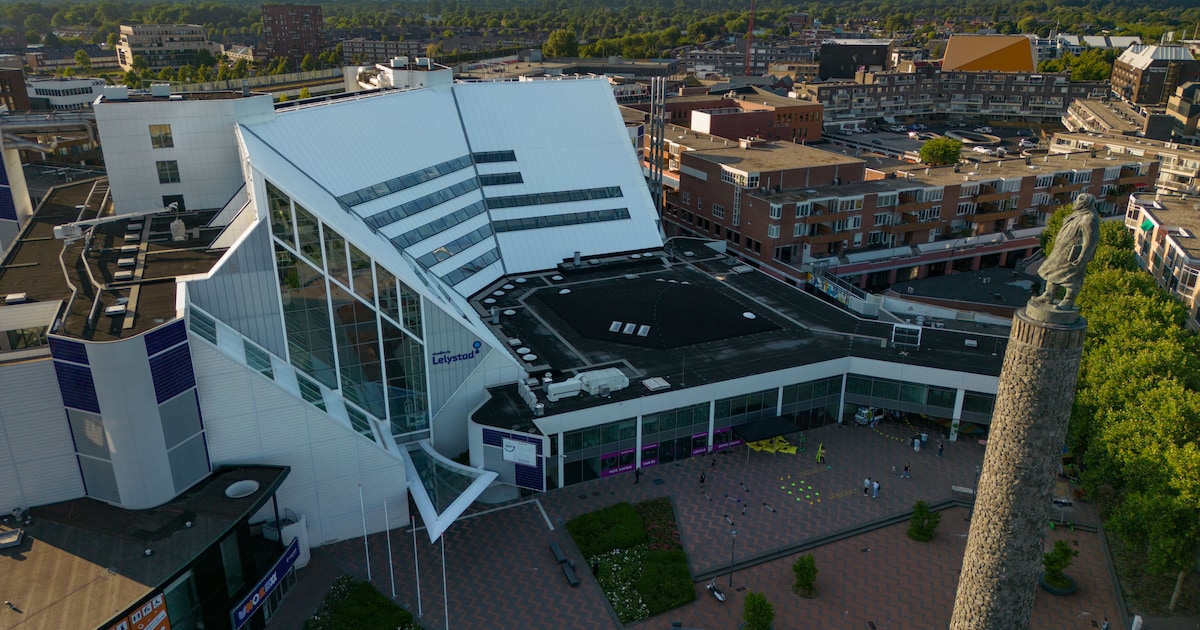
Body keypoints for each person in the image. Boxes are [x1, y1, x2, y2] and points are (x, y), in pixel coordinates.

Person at [1034, 193, 1100, 311]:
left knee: (1071, 278)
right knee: (1052, 271)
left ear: (1084, 204)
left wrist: (1082, 257)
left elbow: (1090, 241)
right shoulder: (1078, 214)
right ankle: (1048, 294)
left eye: (1077, 201)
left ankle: (1068, 300)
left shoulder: (1089, 218)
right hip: (1061, 250)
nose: (1074, 203)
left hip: (1073, 254)